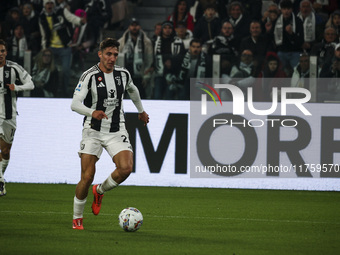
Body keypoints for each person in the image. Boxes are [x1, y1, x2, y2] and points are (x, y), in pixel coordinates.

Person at [71, 38, 149, 230]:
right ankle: (77, 218)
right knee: (87, 176)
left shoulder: (122, 74)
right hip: (93, 130)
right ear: (100, 54)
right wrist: (92, 112)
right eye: (108, 54)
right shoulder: (89, 76)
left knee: (126, 168)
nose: (112, 58)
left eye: (115, 54)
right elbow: (74, 104)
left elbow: (133, 90)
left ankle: (100, 190)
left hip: (116, 129)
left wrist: (141, 110)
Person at [0, 39, 34, 196]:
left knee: (5, 151)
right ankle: (0, 181)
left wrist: (17, 87)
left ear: (6, 52)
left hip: (9, 116)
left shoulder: (13, 68)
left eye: (2, 51)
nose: (0, 54)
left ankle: (1, 178)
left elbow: (31, 84)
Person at [39, 0, 87, 97]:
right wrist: (44, 48)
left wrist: (80, 21)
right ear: (44, 5)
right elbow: (43, 33)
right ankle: (50, 91)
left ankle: (65, 92)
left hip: (64, 46)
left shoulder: (61, 11)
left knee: (65, 70)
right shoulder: (42, 17)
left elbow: (71, 18)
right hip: (50, 47)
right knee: (50, 70)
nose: (50, 5)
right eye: (47, 3)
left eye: (51, 3)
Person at [118, 18, 154, 99]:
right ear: (129, 27)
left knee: (141, 100)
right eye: (132, 25)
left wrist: (146, 75)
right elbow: (117, 59)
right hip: (125, 75)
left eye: (136, 25)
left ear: (140, 27)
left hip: (140, 75)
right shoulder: (121, 41)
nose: (134, 28)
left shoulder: (146, 42)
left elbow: (149, 59)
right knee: (121, 100)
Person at [153, 21, 185, 99]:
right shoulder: (156, 41)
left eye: (169, 28)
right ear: (162, 29)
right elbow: (154, 56)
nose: (167, 30)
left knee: (169, 97)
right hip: (159, 73)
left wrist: (172, 61)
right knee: (157, 96)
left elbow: (182, 57)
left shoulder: (179, 41)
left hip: (173, 74)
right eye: (165, 28)